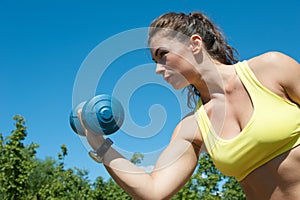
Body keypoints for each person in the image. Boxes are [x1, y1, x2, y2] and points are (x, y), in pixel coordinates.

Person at [78, 12, 300, 199]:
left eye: (163, 54)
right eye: (155, 61)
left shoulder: (271, 68)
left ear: (195, 44)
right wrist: (99, 144)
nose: (158, 69)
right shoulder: (193, 127)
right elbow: (153, 191)